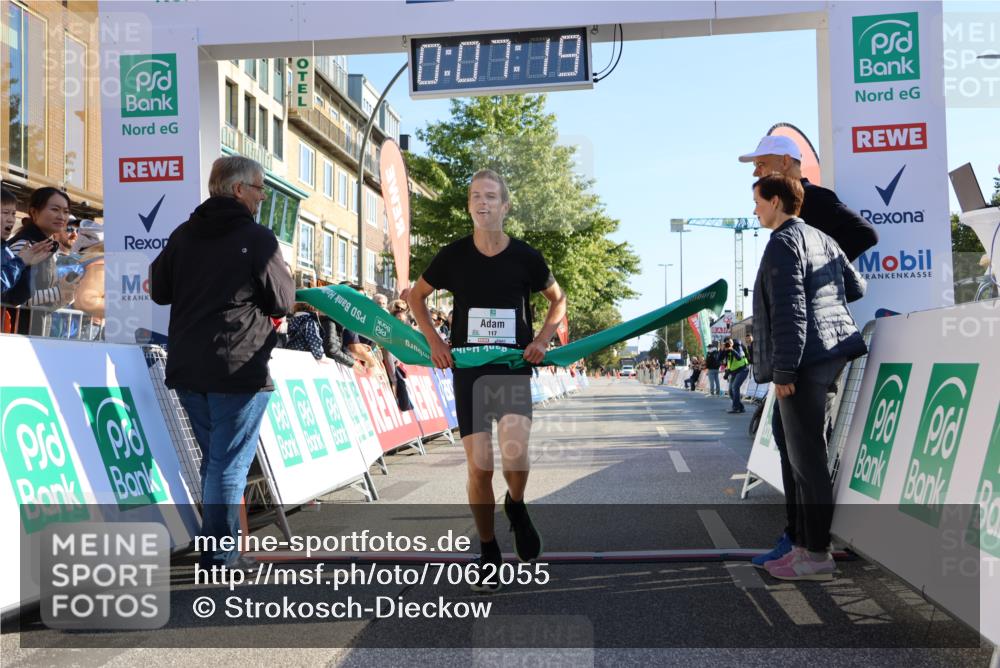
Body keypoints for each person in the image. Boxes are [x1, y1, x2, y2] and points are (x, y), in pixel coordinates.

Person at [407, 169, 567, 592]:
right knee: (480, 467)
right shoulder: (453, 255)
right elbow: (415, 296)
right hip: (469, 372)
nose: (482, 203)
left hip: (512, 368)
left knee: (515, 457)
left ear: (505, 206)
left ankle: (515, 504)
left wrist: (543, 338)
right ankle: (489, 548)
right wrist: (434, 340)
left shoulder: (527, 258)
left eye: (491, 196)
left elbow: (558, 299)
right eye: (475, 196)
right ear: (468, 206)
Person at [739, 136, 879, 568]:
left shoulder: (788, 238)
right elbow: (856, 287)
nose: (755, 177)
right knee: (798, 449)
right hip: (828, 352)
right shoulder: (817, 236)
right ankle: (801, 541)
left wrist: (783, 372)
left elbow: (791, 314)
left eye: (761, 168)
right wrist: (824, 279)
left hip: (805, 360)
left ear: (780, 189)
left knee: (807, 457)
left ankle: (813, 551)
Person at [149, 156, 294, 570]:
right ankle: (220, 552)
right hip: (239, 364)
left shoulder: (183, 234)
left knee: (215, 461)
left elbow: (159, 290)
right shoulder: (257, 237)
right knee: (227, 464)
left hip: (189, 365)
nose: (263, 196)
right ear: (238, 190)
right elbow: (282, 300)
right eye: (260, 188)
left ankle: (217, 545)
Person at [738, 135, 877, 261]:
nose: (755, 173)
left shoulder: (813, 196)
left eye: (761, 164)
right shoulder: (788, 203)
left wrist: (820, 272)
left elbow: (865, 234)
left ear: (785, 162)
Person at [6, 188, 78, 332]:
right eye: (55, 209)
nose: (62, 216)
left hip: (36, 335)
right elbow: (10, 295)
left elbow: (42, 302)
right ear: (34, 212)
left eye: (66, 211)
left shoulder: (47, 246)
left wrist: (66, 295)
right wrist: (58, 292)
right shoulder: (24, 244)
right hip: (14, 335)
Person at [722, 337, 749, 413]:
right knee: (730, 391)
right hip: (734, 371)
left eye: (729, 343)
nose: (728, 345)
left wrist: (732, 349)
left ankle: (735, 408)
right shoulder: (726, 350)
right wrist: (722, 350)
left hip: (743, 369)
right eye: (726, 344)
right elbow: (720, 360)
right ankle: (740, 407)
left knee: (735, 387)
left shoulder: (738, 346)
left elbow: (739, 357)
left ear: (732, 342)